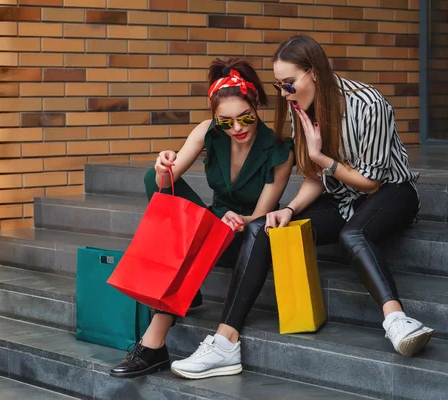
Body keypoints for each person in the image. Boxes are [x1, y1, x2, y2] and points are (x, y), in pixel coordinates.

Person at [170, 34, 433, 381]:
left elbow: (370, 182)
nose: (284, 93)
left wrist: (323, 157)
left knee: (353, 234)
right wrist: (290, 210)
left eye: (289, 84)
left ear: (315, 73)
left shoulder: (369, 103)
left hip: (392, 192)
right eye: (279, 85)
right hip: (341, 197)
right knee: (260, 229)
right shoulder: (299, 108)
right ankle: (225, 341)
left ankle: (397, 320)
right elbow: (315, 177)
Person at [109, 58, 294, 379]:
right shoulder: (208, 133)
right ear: (215, 119)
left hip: (248, 232)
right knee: (154, 184)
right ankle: (161, 332)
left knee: (197, 243)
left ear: (258, 106)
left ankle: (153, 344)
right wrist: (162, 164)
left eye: (245, 118)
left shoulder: (279, 148)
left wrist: (241, 219)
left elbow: (263, 215)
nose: (236, 128)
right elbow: (163, 184)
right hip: (213, 223)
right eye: (226, 122)